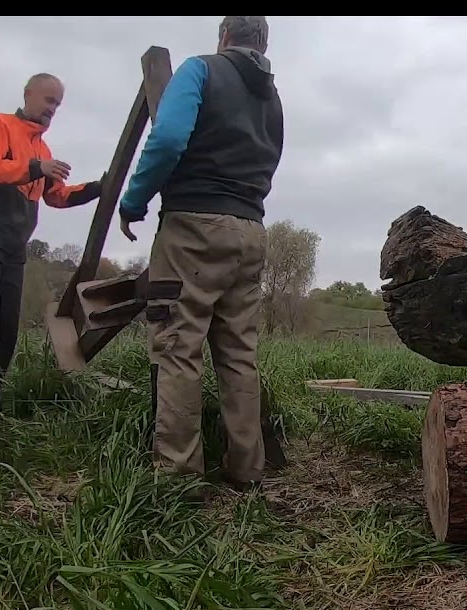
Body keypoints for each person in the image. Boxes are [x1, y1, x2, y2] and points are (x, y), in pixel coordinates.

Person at [118, 16, 284, 494]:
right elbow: (272, 158)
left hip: (193, 225)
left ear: (225, 37)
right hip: (251, 229)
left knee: (178, 347)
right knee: (238, 354)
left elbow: (168, 139)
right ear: (263, 44)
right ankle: (246, 469)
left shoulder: (200, 70)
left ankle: (177, 478)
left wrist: (133, 202)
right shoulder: (272, 99)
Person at [0, 73, 103, 410]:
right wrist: (35, 167)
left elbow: (56, 198)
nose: (53, 109)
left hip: (15, 248)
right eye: (48, 100)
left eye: (57, 104)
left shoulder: (43, 148)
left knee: (8, 326)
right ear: (28, 94)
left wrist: (97, 188)